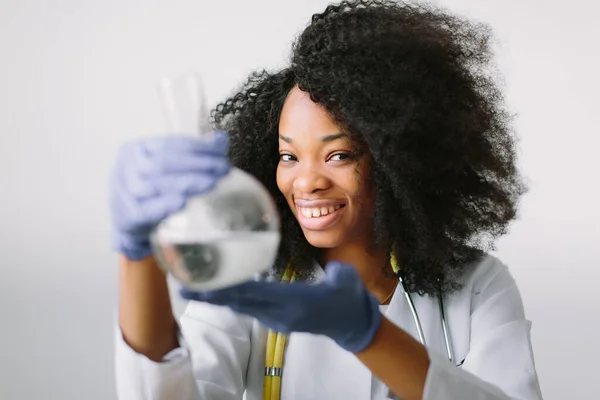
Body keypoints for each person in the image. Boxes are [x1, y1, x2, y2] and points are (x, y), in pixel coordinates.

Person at [110, 1, 543, 399]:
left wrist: (370, 335)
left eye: (339, 154)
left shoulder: (477, 285)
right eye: (288, 156)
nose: (307, 182)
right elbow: (168, 393)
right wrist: (137, 254)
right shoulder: (253, 278)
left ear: (400, 159)